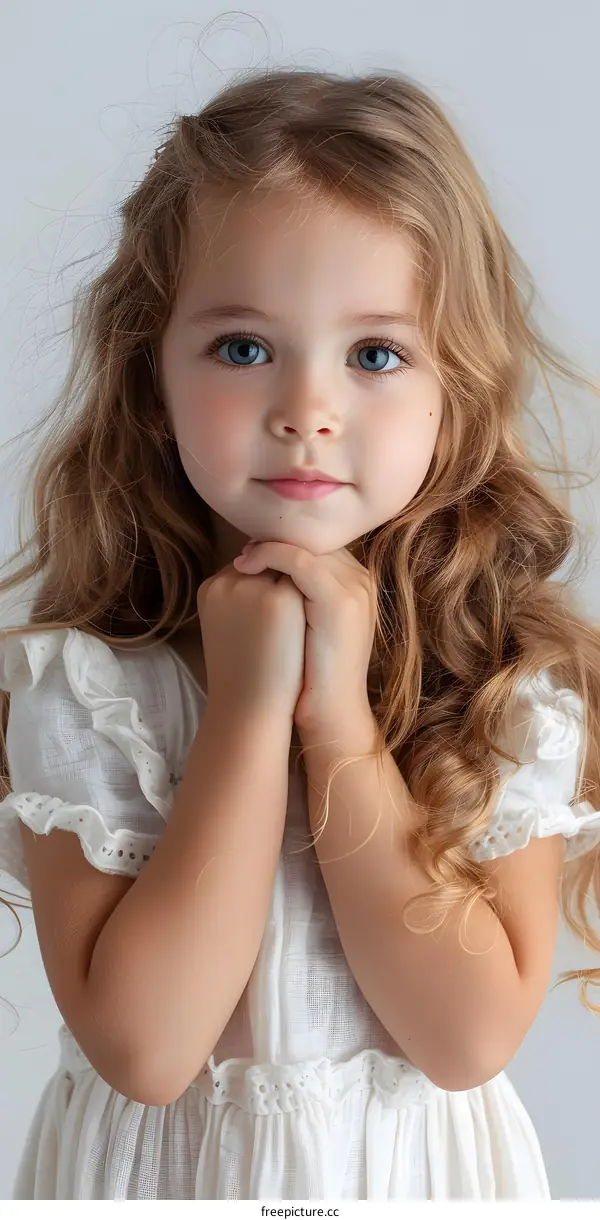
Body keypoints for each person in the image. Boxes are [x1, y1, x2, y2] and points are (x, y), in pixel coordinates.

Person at [0, 66, 600, 1202]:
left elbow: (465, 1038)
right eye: (241, 348)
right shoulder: (84, 691)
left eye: (375, 354)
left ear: (454, 392)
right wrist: (243, 705)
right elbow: (147, 1046)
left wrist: (336, 722)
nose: (306, 407)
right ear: (152, 379)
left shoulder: (509, 696)